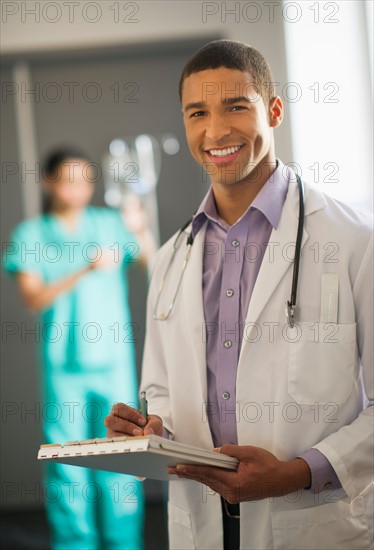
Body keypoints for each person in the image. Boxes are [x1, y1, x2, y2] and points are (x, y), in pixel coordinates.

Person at [105, 40, 373, 550]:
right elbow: (159, 390)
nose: (215, 131)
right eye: (198, 113)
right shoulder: (169, 260)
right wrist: (147, 431)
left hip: (313, 523)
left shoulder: (355, 241)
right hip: (201, 526)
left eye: (236, 106)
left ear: (273, 110)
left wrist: (297, 473)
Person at [3, 148, 155, 549]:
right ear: (48, 182)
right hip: (63, 367)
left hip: (114, 361)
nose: (79, 189)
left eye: (86, 180)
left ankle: (124, 541)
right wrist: (83, 268)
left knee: (120, 455)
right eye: (69, 179)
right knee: (67, 461)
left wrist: (139, 228)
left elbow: (148, 262)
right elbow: (34, 298)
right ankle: (75, 543)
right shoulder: (31, 235)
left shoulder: (109, 223)